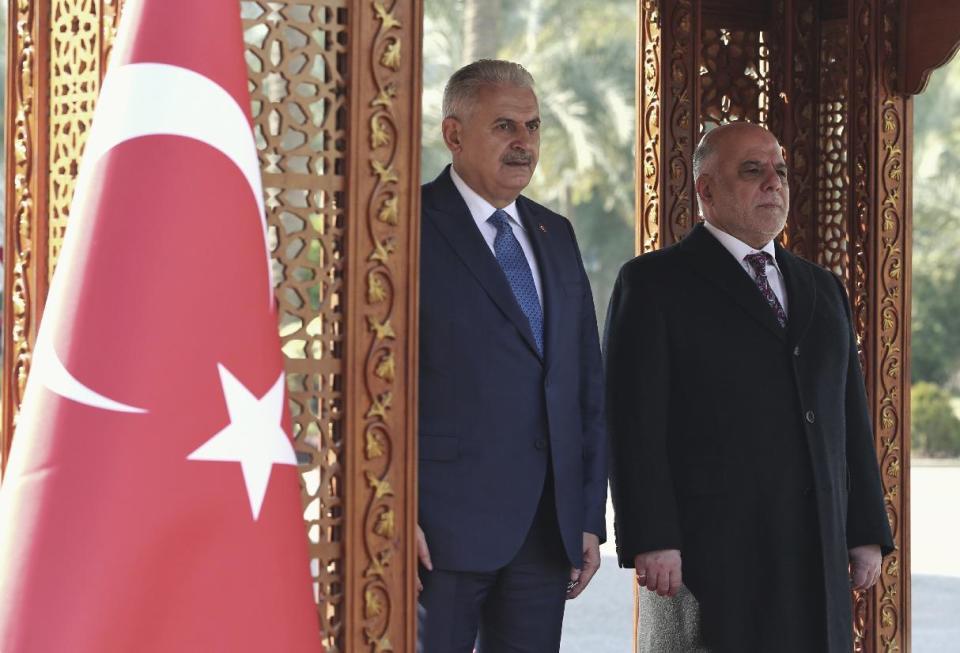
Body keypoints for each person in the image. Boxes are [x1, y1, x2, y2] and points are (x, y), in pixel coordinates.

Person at [605, 122, 894, 652]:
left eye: (780, 171)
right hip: (709, 558)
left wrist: (866, 529)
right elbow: (632, 424)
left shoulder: (822, 288)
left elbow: (849, 416)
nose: (773, 183)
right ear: (706, 190)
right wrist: (653, 537)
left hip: (814, 553)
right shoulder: (653, 285)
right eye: (752, 170)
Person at [416, 59, 607, 652]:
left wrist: (585, 515)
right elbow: (375, 381)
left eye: (533, 126)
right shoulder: (404, 226)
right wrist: (394, 514)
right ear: (453, 134)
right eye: (504, 126)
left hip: (543, 533)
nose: (524, 143)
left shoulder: (556, 233)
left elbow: (584, 384)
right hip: (439, 532)